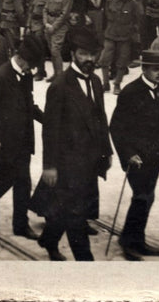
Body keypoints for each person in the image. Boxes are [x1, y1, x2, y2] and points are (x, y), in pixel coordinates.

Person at [38, 26, 112, 261]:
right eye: (83, 54)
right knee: (75, 214)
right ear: (73, 55)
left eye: (92, 54)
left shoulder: (97, 82)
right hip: (67, 163)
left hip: (90, 161)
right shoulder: (59, 86)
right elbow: (50, 130)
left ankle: (49, 239)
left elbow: (101, 119)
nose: (89, 59)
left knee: (66, 209)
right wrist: (49, 166)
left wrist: (106, 151)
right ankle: (85, 262)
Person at [109, 49, 159, 261]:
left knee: (148, 197)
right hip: (136, 158)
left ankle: (137, 239)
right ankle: (129, 243)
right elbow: (116, 128)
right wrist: (128, 154)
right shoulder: (130, 92)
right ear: (144, 69)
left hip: (154, 155)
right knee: (141, 197)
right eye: (156, 69)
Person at [0, 36, 46, 240]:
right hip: (5, 142)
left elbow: (29, 103)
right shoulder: (0, 77)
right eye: (31, 65)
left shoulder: (25, 76)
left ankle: (20, 224)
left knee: (23, 183)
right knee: (5, 181)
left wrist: (47, 119)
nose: (32, 70)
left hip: (24, 140)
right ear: (21, 59)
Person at [98, 0, 142, 94]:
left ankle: (117, 84)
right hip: (110, 34)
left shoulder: (133, 4)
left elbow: (137, 21)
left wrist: (134, 36)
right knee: (104, 60)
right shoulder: (110, 0)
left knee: (122, 62)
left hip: (125, 37)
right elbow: (105, 16)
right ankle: (105, 83)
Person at [42, 0, 73, 82]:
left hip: (59, 26)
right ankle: (56, 74)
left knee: (56, 50)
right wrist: (46, 23)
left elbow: (64, 15)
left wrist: (53, 27)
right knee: (52, 51)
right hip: (49, 25)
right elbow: (45, 9)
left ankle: (60, 76)